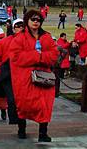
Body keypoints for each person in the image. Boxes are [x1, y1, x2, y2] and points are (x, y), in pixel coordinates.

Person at [9, 10, 58, 142]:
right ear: (27, 21)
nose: (36, 22)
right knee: (24, 104)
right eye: (33, 19)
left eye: (38, 20)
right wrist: (37, 56)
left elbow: (54, 55)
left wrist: (41, 57)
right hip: (25, 78)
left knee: (45, 105)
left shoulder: (46, 37)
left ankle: (43, 133)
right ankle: (21, 129)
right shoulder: (19, 38)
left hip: (44, 77)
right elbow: (16, 57)